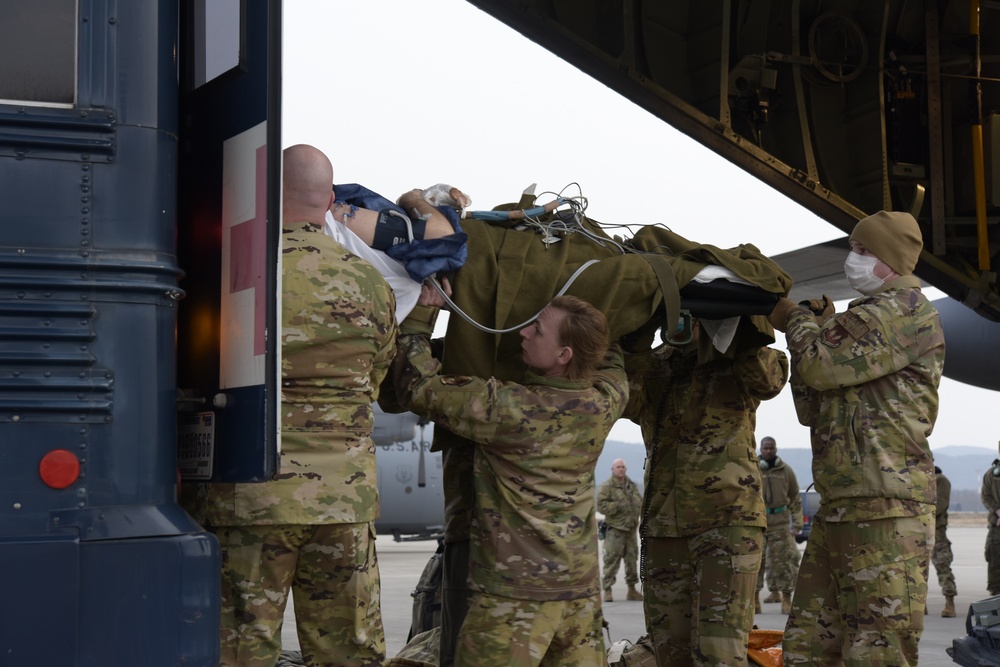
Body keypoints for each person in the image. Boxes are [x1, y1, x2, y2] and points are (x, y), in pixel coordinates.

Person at [184, 144, 398, 666]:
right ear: (329, 199)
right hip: (343, 504)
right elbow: (374, 380)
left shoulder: (233, 274)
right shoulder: (371, 282)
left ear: (265, 195)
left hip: (252, 498)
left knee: (238, 649)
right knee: (348, 653)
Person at [387, 290, 629, 667]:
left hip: (513, 601)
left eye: (537, 330)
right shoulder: (605, 401)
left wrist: (421, 313)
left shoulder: (509, 409)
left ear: (564, 356)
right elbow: (613, 360)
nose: (524, 333)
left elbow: (418, 386)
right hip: (578, 599)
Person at [769, 210, 945, 666]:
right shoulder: (861, 321)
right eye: (853, 248)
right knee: (807, 649)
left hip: (887, 510)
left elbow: (820, 366)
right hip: (843, 504)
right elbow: (813, 406)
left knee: (877, 651)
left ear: (891, 260)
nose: (853, 259)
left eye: (864, 251)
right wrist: (819, 330)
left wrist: (795, 320)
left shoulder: (902, 310)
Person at [623, 317, 788, 666]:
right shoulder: (654, 365)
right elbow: (625, 401)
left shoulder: (739, 355)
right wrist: (636, 336)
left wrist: (735, 324)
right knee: (668, 651)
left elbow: (767, 380)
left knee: (720, 651)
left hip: (728, 520)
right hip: (664, 524)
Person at [755, 435, 803, 615]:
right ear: (761, 449)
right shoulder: (754, 469)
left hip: (781, 525)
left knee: (785, 564)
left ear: (776, 449)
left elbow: (795, 499)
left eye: (771, 448)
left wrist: (797, 524)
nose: (768, 451)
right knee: (756, 564)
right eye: (765, 448)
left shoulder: (786, 471)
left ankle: (786, 599)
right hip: (759, 525)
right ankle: (754, 601)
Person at [597, 458, 644, 602]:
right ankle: (608, 590)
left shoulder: (631, 486)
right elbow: (601, 505)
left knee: (632, 560)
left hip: (630, 530)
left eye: (623, 467)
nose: (621, 469)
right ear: (612, 469)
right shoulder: (607, 486)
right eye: (618, 467)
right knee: (611, 560)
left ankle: (632, 590)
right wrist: (617, 505)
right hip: (615, 530)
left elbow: (639, 502)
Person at [932, 466, 958, 617]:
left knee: (942, 564)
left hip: (936, 531)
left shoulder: (940, 479)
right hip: (916, 530)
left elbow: (940, 505)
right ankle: (920, 605)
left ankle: (949, 602)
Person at [981, 448, 1000, 596]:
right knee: (994, 560)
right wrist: (997, 510)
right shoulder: (991, 475)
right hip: (997, 526)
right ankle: (995, 596)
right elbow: (985, 496)